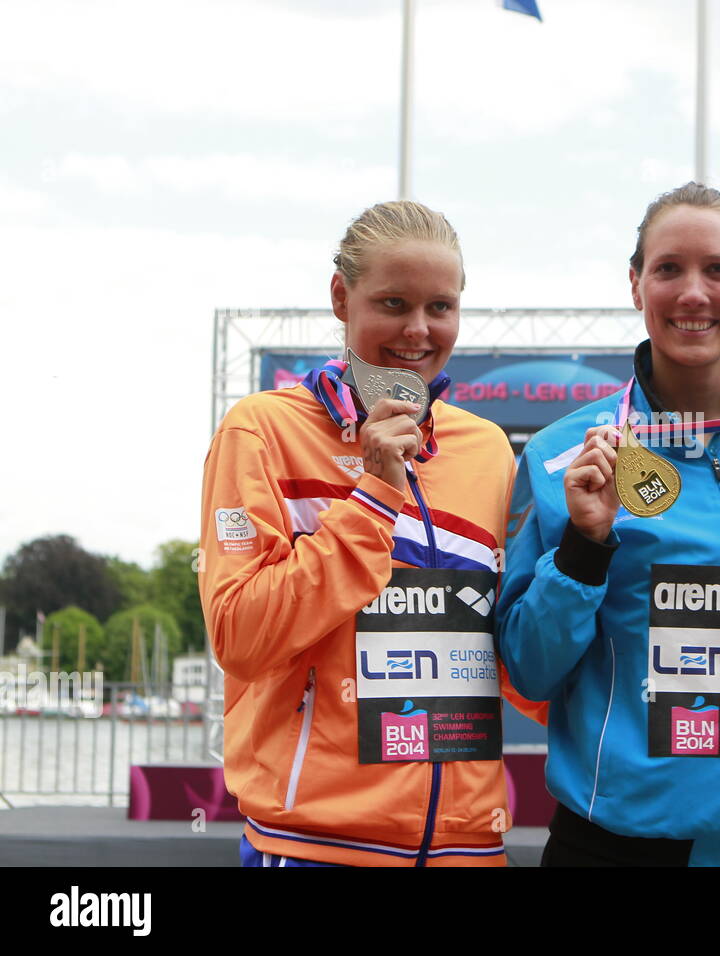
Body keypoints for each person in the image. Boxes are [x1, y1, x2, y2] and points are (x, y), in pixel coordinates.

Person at [496, 183, 720, 866]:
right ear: (635, 284)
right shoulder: (562, 456)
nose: (693, 293)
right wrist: (583, 549)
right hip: (617, 848)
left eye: (716, 269)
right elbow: (529, 673)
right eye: (668, 269)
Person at [199, 200, 542, 867]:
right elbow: (240, 637)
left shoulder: (488, 450)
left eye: (439, 308)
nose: (417, 330)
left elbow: (509, 652)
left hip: (469, 848)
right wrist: (376, 497)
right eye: (393, 303)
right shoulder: (261, 430)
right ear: (340, 296)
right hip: (315, 845)